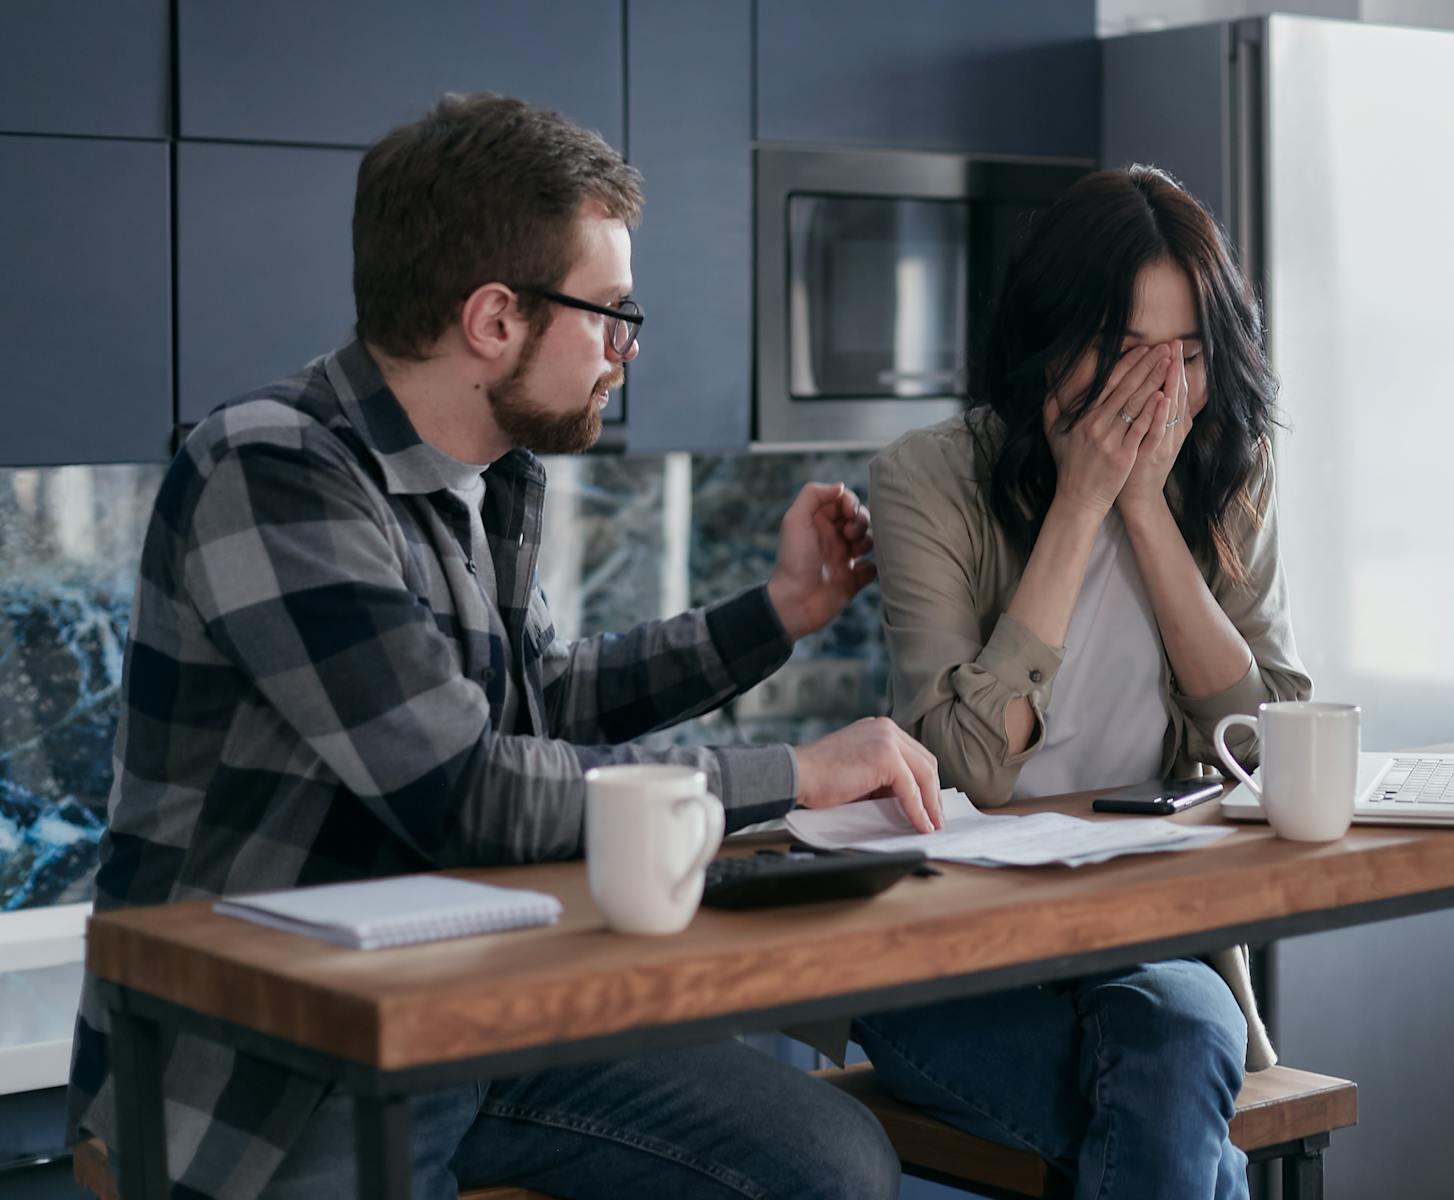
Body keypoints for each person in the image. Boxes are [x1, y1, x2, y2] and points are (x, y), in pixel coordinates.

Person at [66, 92, 945, 1200]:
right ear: (493, 319)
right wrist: (800, 776)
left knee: (827, 1159)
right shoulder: (271, 469)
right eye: (612, 312)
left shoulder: (489, 478)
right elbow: (465, 789)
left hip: (473, 1001)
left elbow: (533, 702)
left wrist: (772, 613)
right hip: (275, 1061)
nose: (624, 350)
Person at [859, 164, 1312, 1198]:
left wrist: (1145, 513)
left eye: (1188, 355)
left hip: (1146, 941)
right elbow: (964, 768)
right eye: (1122, 355)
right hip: (951, 948)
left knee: (1180, 1037)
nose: (1161, 390)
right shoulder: (925, 479)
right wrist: (1077, 509)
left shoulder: (1223, 470)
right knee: (1179, 1103)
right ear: (1048, 347)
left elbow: (1273, 738)